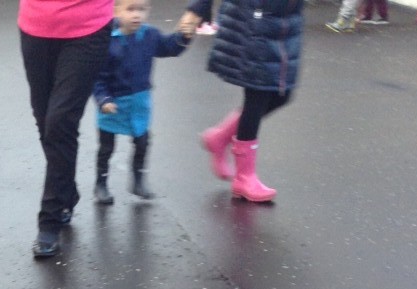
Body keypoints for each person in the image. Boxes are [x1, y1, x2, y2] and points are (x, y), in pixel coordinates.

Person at [19, 0, 114, 259]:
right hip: (35, 24)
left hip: (88, 26)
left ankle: (49, 220)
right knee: (45, 121)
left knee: (60, 121)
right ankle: (66, 192)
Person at [189, 0, 304, 203]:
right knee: (258, 93)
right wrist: (199, 8)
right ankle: (244, 177)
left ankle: (219, 137)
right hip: (255, 20)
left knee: (282, 94)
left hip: (285, 23)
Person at [92, 0, 192, 206]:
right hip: (112, 105)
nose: (136, 15)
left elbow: (170, 47)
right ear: (116, 10)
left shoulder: (150, 35)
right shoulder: (107, 39)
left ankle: (138, 180)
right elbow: (97, 77)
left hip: (139, 103)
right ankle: (101, 184)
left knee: (142, 142)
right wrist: (103, 99)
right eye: (130, 9)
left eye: (142, 9)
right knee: (106, 147)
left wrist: (184, 36)